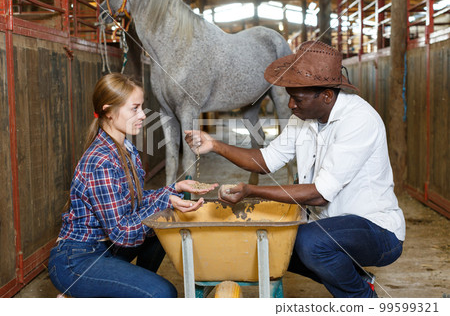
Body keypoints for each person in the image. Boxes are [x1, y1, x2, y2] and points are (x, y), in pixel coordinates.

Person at [185, 41, 405, 298]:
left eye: (297, 99)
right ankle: (355, 277)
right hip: (328, 225)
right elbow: (266, 160)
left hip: (377, 230)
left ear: (326, 96)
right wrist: (214, 145)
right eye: (290, 97)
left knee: (309, 243)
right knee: (274, 245)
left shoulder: (359, 120)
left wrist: (251, 191)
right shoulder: (302, 119)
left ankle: (363, 299)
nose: (290, 105)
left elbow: (319, 194)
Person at [48, 73, 217, 298]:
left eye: (142, 108)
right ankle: (92, 291)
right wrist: (166, 200)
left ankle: (129, 288)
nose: (142, 116)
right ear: (108, 111)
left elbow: (132, 202)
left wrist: (175, 189)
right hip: (79, 259)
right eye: (134, 108)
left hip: (106, 247)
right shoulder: (101, 161)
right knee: (162, 293)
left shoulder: (125, 149)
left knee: (165, 220)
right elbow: (122, 232)